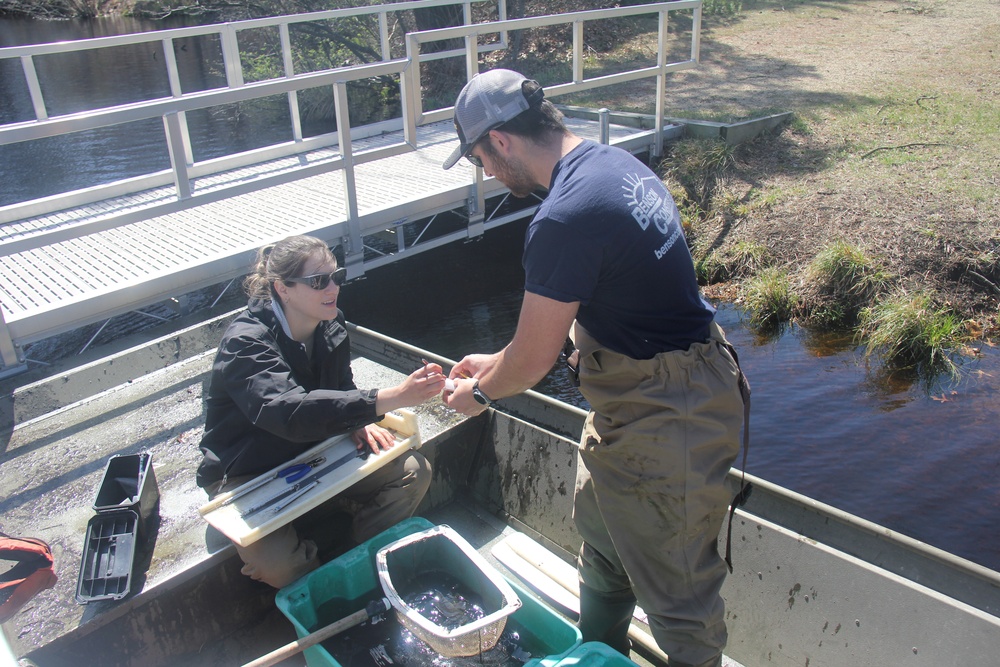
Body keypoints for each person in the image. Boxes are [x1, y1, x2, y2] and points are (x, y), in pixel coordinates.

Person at [441, 69, 748, 667]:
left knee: (679, 599)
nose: (485, 173)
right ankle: (598, 656)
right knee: (605, 551)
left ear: (501, 141)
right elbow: (596, 302)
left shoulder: (561, 219)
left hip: (666, 417)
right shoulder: (612, 164)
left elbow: (528, 364)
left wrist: (479, 391)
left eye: (480, 157)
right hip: (646, 396)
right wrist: (497, 358)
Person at [196, 234, 445, 589]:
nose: (333, 288)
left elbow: (341, 383)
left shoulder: (331, 322)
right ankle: (315, 585)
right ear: (283, 289)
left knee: (411, 472)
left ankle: (354, 561)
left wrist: (356, 422)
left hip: (312, 450)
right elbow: (289, 412)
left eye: (336, 276)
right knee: (279, 566)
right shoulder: (245, 343)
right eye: (318, 281)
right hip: (248, 469)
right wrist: (392, 397)